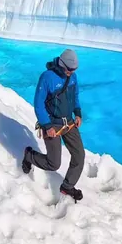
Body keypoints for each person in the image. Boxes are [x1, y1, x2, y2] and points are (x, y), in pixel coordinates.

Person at [22, 48, 85, 201]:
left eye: (74, 69)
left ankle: (67, 186)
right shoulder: (47, 77)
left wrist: (77, 112)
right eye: (69, 69)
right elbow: (38, 104)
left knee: (79, 155)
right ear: (62, 64)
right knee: (53, 164)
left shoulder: (73, 77)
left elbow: (75, 96)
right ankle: (29, 156)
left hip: (69, 122)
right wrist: (47, 125)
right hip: (52, 124)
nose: (71, 72)